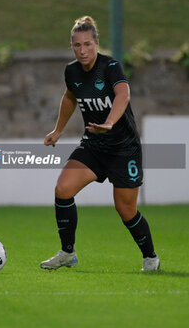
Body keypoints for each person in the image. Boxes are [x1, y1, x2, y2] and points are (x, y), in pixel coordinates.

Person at [40, 16, 160, 271]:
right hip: (94, 146)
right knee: (63, 190)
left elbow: (123, 94)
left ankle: (150, 257)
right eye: (77, 45)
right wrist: (58, 130)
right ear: (72, 46)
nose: (82, 50)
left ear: (97, 43)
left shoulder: (111, 66)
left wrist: (109, 121)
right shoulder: (71, 71)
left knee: (126, 209)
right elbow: (69, 97)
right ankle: (67, 253)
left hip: (123, 149)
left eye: (87, 44)